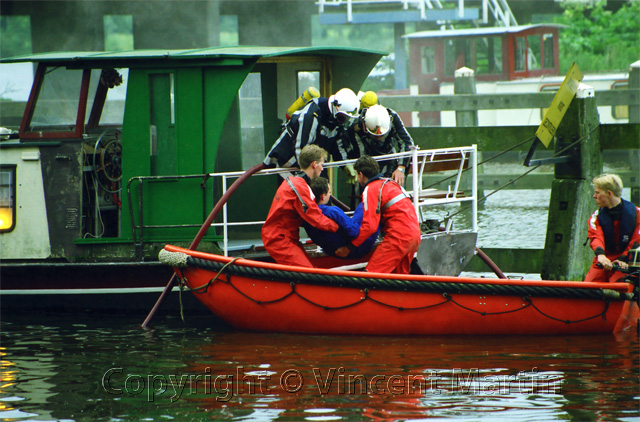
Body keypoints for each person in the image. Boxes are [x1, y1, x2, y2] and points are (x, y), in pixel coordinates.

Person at [335, 156, 421, 274]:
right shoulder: (390, 184)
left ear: (360, 174)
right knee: (401, 276)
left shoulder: (371, 189)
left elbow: (370, 226)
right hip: (415, 235)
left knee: (372, 274)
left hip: (399, 237)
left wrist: (349, 247)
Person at [261, 145, 339, 268]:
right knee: (307, 273)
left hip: (286, 237)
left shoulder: (294, 182)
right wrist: (339, 227)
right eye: (322, 165)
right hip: (279, 240)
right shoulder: (299, 187)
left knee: (308, 270)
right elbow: (315, 217)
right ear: (314, 164)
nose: (322, 169)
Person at [263, 88, 359, 169]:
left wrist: (345, 165)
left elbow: (336, 144)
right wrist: (309, 175)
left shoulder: (336, 119)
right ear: (335, 107)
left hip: (314, 164)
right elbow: (301, 149)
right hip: (290, 164)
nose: (344, 121)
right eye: (343, 117)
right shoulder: (311, 115)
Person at [303, 177, 379, 259]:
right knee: (370, 202)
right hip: (356, 248)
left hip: (332, 250)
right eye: (329, 193)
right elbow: (355, 232)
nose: (330, 195)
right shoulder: (332, 211)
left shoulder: (306, 215)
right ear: (323, 196)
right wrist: (349, 220)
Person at [585, 173, 640, 283]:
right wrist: (601, 255)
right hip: (604, 258)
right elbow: (596, 237)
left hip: (627, 260)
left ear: (609, 194)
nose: (594, 196)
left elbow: (636, 240)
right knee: (588, 287)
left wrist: (622, 258)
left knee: (618, 285)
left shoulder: (637, 214)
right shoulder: (596, 216)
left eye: (597, 192)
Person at [343, 103, 414, 186]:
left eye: (381, 135)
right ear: (364, 126)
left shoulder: (393, 117)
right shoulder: (356, 125)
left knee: (395, 183)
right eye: (375, 135)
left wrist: (401, 168)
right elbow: (358, 151)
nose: (378, 138)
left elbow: (407, 142)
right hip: (366, 157)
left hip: (389, 156)